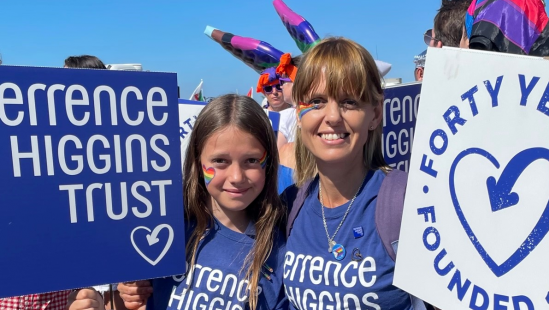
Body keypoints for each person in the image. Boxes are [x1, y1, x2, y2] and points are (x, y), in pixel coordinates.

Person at [71, 95, 289, 310]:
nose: (236, 176)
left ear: (268, 162)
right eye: (220, 161)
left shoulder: (280, 250)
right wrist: (108, 300)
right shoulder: (165, 228)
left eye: (251, 160)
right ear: (197, 160)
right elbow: (129, 299)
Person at [281, 37, 431, 310]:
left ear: (374, 114)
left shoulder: (409, 201)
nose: (333, 116)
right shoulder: (290, 205)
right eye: (316, 101)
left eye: (349, 102)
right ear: (299, 113)